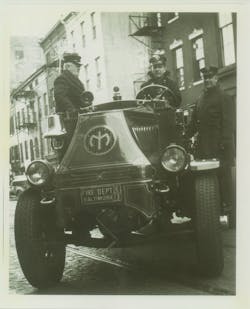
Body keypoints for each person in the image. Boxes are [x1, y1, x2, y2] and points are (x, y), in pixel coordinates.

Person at [187, 65, 235, 213]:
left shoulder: (224, 97)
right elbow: (194, 122)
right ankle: (212, 210)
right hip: (204, 147)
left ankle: (229, 208)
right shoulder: (200, 98)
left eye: (210, 77)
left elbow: (229, 122)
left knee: (223, 177)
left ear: (216, 78)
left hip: (220, 145)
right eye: (205, 78)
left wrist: (225, 142)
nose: (207, 80)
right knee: (207, 179)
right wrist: (184, 136)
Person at [53, 52, 91, 158]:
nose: (79, 68)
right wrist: (72, 109)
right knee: (70, 148)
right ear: (68, 66)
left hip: (79, 118)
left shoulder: (75, 80)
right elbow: (60, 96)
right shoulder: (62, 79)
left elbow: (80, 98)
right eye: (77, 66)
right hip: (69, 121)